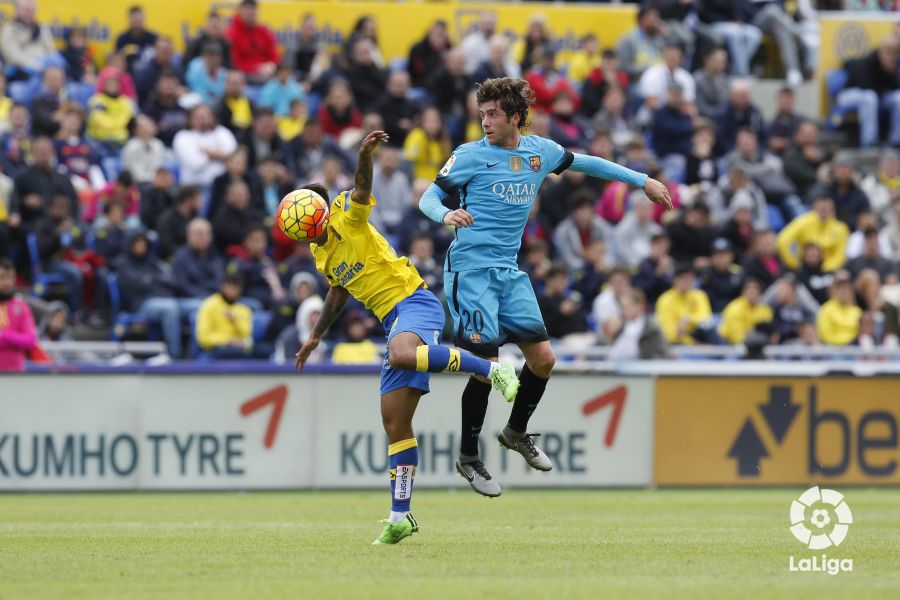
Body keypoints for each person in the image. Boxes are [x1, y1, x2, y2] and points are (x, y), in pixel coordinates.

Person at [417, 77, 672, 494]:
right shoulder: (468, 156)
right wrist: (444, 216)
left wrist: (641, 180)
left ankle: (516, 432)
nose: (485, 121)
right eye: (482, 114)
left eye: (494, 114)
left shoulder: (540, 153)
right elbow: (428, 196)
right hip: (470, 270)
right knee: (489, 368)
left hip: (508, 272)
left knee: (544, 360)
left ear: (516, 117)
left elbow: (589, 163)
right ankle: (468, 457)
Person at [293, 130, 521, 545]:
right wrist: (314, 336)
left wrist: (365, 156)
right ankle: (401, 516)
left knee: (401, 355)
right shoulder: (320, 254)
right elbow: (338, 291)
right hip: (392, 319)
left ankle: (492, 369)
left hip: (413, 301)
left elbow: (362, 188)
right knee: (395, 423)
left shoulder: (347, 214)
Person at [196, 272, 264, 359]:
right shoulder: (209, 305)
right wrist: (228, 341)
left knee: (260, 351)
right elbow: (203, 338)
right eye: (230, 286)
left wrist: (235, 321)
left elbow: (247, 335)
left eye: (236, 287)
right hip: (217, 348)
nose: (232, 290)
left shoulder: (244, 309)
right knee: (241, 354)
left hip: (240, 348)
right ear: (222, 286)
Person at [777, 194, 849, 273]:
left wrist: (824, 269)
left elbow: (840, 255)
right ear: (814, 207)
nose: (824, 211)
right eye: (821, 208)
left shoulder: (841, 228)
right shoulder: (803, 222)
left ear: (833, 209)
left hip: (828, 271)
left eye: (827, 208)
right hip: (803, 269)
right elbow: (783, 240)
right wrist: (793, 263)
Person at [655, 265, 714, 344]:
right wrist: (691, 342)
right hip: (677, 343)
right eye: (682, 278)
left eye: (689, 278)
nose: (686, 281)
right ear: (674, 280)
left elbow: (706, 317)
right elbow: (668, 332)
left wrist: (688, 319)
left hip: (699, 337)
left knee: (713, 327)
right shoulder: (665, 300)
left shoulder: (699, 295)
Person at [225, 0, 279, 83]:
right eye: (247, 8)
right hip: (244, 76)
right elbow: (235, 63)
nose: (250, 12)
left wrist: (272, 66)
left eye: (253, 9)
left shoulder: (264, 31)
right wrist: (257, 68)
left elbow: (274, 56)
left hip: (268, 74)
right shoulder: (231, 33)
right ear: (240, 10)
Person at [607, 289, 669, 360]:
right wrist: (610, 333)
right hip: (618, 366)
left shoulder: (651, 327)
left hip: (644, 368)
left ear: (640, 306)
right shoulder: (620, 326)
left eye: (628, 307)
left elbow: (663, 353)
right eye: (623, 307)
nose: (624, 311)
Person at [0, 258, 37, 372]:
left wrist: (4, 335)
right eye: (2, 278)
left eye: (10, 278)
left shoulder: (22, 307)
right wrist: (14, 340)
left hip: (15, 374)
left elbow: (30, 340)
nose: (6, 282)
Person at [718, 279, 773, 345]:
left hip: (756, 343)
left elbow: (768, 329)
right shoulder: (735, 308)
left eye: (755, 293)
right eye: (749, 292)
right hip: (728, 342)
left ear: (759, 294)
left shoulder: (765, 309)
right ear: (743, 293)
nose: (752, 296)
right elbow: (735, 335)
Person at [816, 271, 862, 346]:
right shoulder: (826, 309)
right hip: (832, 348)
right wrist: (844, 342)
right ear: (834, 290)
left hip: (853, 347)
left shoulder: (856, 311)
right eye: (840, 288)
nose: (844, 291)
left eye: (846, 288)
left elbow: (859, 333)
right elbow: (824, 334)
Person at [115, 5, 158, 74]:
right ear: (129, 19)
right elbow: (117, 60)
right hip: (128, 74)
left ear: (144, 18)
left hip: (148, 74)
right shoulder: (122, 39)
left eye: (139, 17)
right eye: (134, 17)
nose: (137, 20)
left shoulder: (153, 38)